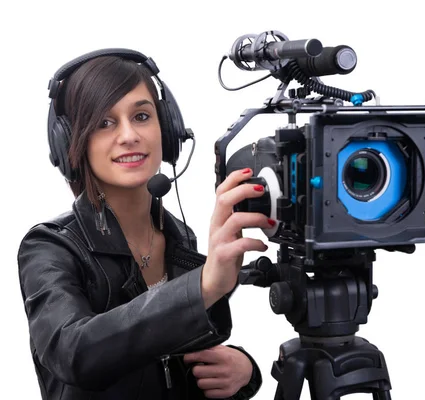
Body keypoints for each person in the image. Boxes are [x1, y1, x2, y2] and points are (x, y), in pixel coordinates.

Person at [17, 49, 274, 399]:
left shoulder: (179, 237)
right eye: (104, 123)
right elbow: (75, 352)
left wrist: (244, 371)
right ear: (71, 142)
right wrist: (203, 287)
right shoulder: (50, 246)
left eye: (141, 116)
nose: (128, 135)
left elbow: (170, 358)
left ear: (165, 129)